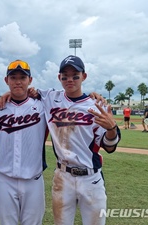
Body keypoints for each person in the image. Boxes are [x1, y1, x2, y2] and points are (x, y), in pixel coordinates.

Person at [36, 55, 121, 225]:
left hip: (91, 178)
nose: (70, 79)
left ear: (84, 76)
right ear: (59, 77)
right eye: (65, 76)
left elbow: (109, 146)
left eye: (75, 75)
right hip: (62, 176)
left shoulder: (97, 106)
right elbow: (24, 91)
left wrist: (112, 129)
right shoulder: (50, 98)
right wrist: (8, 93)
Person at [0, 60, 48, 225]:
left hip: (34, 180)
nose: (18, 81)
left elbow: (65, 98)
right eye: (13, 77)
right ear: (6, 81)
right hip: (5, 180)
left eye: (22, 77)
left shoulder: (43, 106)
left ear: (30, 80)